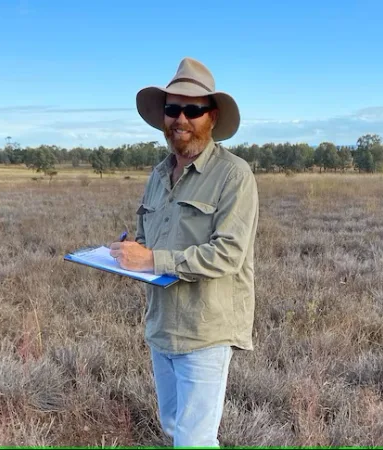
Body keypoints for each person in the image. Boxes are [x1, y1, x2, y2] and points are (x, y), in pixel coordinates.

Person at [108, 57, 259, 447]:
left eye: (193, 109)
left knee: (194, 440)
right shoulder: (158, 175)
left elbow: (229, 254)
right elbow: (146, 238)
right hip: (162, 326)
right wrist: (129, 251)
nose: (181, 118)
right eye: (173, 108)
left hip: (205, 329)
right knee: (174, 426)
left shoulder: (233, 175)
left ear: (212, 116)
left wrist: (152, 259)